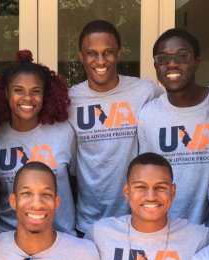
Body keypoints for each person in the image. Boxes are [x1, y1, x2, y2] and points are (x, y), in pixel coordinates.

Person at [67, 19, 164, 237]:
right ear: (81, 56)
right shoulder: (69, 99)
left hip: (134, 217)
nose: (100, 60)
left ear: (119, 53)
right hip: (88, 223)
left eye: (108, 52)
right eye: (92, 53)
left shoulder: (145, 90)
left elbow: (178, 106)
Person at [137, 28, 209, 234]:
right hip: (168, 234)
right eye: (163, 58)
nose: (172, 63)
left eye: (181, 56)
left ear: (197, 61)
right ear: (156, 66)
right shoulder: (148, 115)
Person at [0, 49, 77, 235]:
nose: (27, 98)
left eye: (36, 91)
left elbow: (76, 186)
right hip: (10, 239)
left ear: (45, 95)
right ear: (6, 93)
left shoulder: (64, 132)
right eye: (18, 90)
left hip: (61, 238)